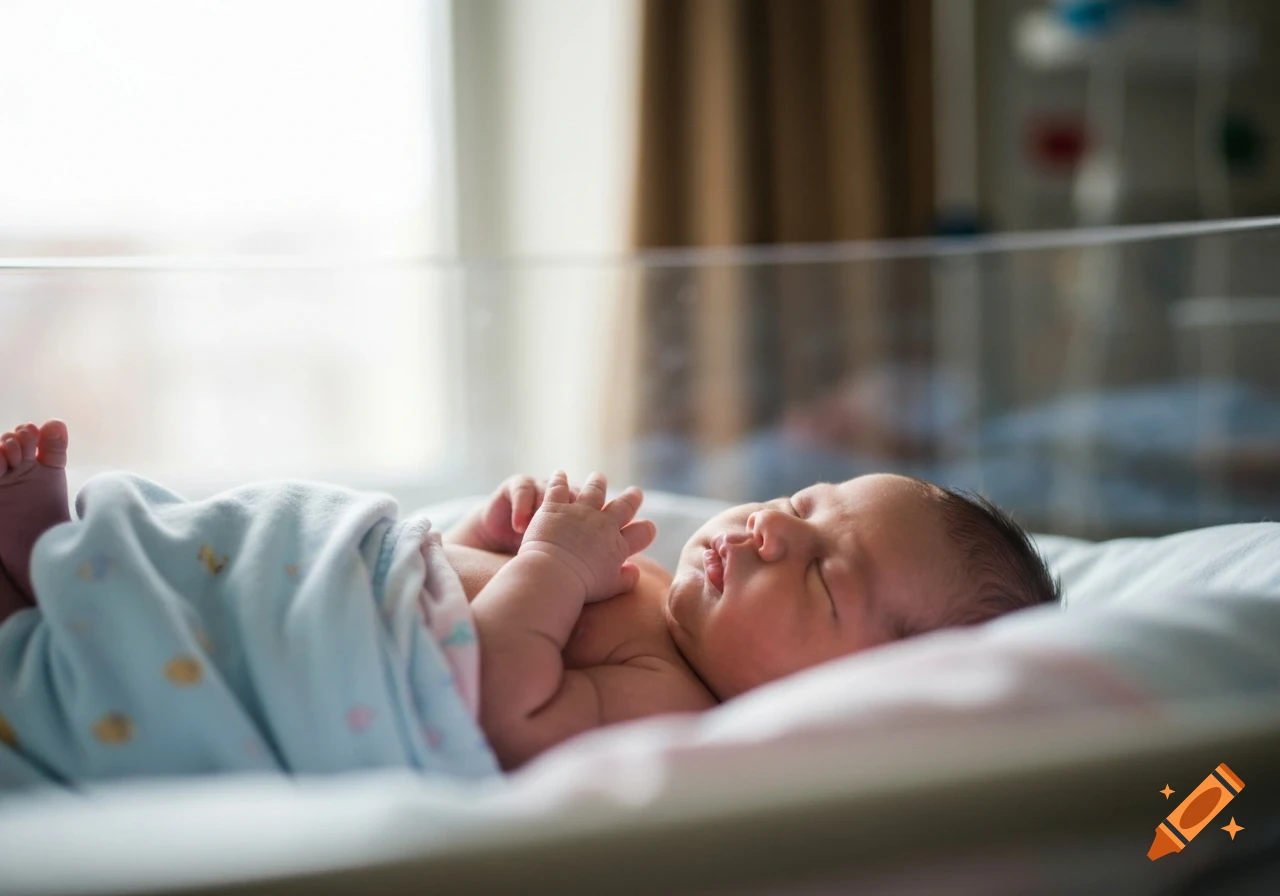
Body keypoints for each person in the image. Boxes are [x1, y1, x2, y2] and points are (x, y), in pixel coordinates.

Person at [0, 420, 1060, 785]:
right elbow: (456, 605)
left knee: (135, 656)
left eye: (827, 574)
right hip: (326, 573)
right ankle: (71, 561)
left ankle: (50, 590)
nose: (773, 528)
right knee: (207, 550)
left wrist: (549, 560)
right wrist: (486, 542)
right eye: (801, 501)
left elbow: (503, 699)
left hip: (298, 655)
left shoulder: (673, 707)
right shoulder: (656, 596)